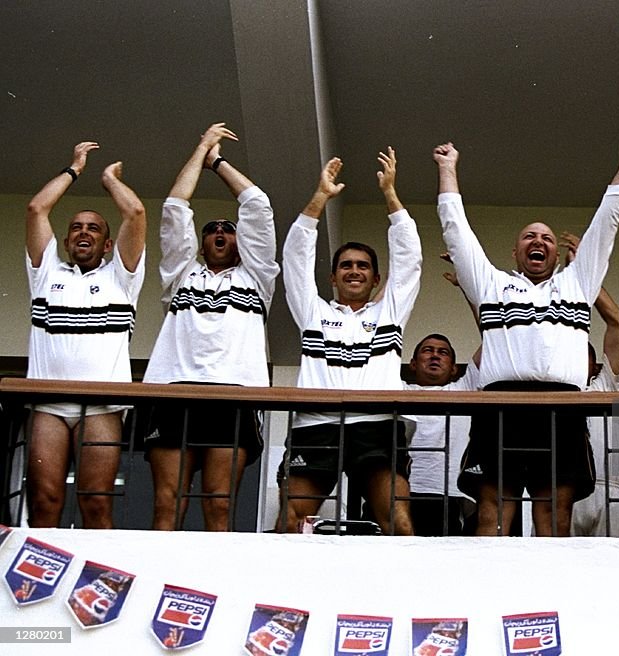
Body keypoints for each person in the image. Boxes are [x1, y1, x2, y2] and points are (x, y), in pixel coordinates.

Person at [435, 125, 619, 537]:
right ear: (515, 252)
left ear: (559, 251)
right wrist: (448, 169)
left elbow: (607, 225)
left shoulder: (577, 282)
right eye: (529, 237)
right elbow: (456, 231)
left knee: (554, 517)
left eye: (547, 237)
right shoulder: (491, 284)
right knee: (493, 512)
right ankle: (489, 601)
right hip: (501, 407)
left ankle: (555, 598)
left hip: (563, 408)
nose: (539, 241)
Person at [278, 150, 421, 535]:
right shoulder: (312, 311)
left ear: (376, 279)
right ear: (332, 278)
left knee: (398, 521)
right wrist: (319, 199)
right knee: (290, 520)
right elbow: (294, 256)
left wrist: (390, 194)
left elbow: (409, 258)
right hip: (316, 423)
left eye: (363, 266)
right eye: (345, 265)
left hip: (376, 425)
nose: (354, 271)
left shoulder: (388, 312)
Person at [144, 124, 278, 531]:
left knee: (219, 506)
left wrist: (217, 162)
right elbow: (174, 208)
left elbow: (257, 205)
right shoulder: (181, 274)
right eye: (211, 231)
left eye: (227, 229)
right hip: (173, 391)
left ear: (241, 242)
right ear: (199, 245)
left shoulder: (256, 278)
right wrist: (200, 146)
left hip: (233, 394)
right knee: (168, 505)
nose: (219, 232)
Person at [24, 142, 146, 528]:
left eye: (93, 228)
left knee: (95, 503)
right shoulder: (46, 273)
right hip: (49, 403)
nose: (83, 232)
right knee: (44, 500)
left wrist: (109, 180)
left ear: (107, 244)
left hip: (102, 407)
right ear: (65, 241)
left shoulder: (120, 277)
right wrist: (75, 169)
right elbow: (36, 208)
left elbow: (137, 212)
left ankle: (101, 587)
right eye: (76, 227)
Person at [559, 233, 619, 538]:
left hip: (609, 491)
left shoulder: (605, 384)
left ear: (594, 362)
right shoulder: (553, 390)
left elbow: (617, 322)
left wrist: (585, 275)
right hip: (562, 492)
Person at [404, 333, 480, 536]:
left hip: (451, 495)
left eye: (443, 352)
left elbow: (494, 339)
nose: (435, 356)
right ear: (412, 363)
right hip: (405, 492)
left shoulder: (464, 389)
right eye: (427, 350)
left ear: (454, 367)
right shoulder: (398, 388)